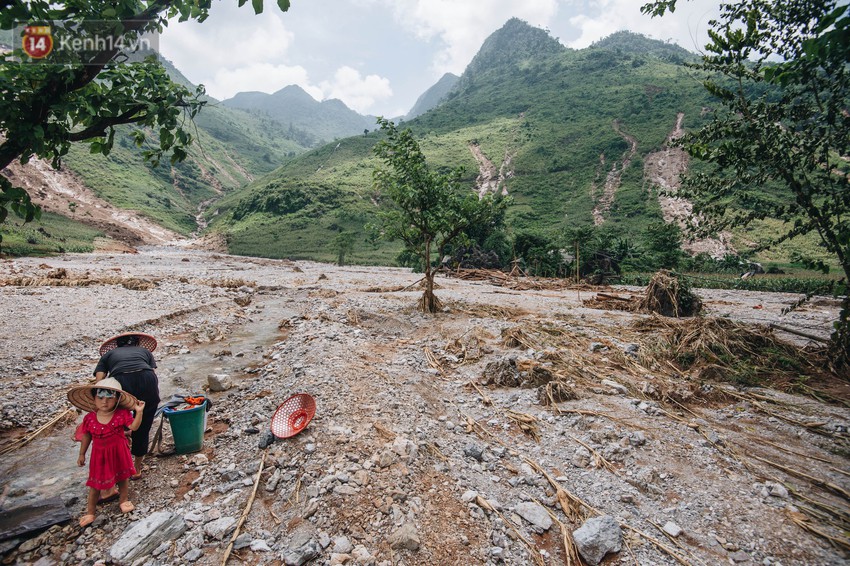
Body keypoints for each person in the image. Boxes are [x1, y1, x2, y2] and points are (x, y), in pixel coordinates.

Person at [67, 377, 145, 527]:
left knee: (123, 477)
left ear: (117, 400)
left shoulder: (122, 414)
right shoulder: (90, 418)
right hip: (99, 455)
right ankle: (90, 511)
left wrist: (139, 412)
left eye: (109, 398)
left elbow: (133, 427)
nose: (104, 402)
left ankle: (123, 500)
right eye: (100, 398)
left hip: (119, 452)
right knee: (95, 483)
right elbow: (87, 435)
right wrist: (82, 454)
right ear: (94, 399)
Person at [93, 333, 160, 478]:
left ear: (118, 345)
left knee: (118, 417)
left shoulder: (109, 355)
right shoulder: (145, 352)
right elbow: (152, 373)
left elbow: (100, 382)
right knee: (144, 422)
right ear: (136, 344)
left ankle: (121, 453)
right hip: (147, 379)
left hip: (121, 380)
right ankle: (136, 468)